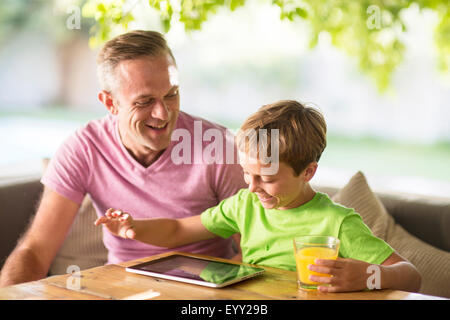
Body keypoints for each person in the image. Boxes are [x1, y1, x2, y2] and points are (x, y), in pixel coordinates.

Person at [0, 30, 246, 287]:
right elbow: (36, 251)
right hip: (122, 290)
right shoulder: (83, 148)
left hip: (203, 292)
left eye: (171, 95)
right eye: (145, 101)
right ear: (110, 102)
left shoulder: (218, 147)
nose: (163, 113)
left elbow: (252, 251)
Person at [95, 100, 422, 293]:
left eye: (266, 178)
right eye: (246, 174)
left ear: (308, 172)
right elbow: (179, 231)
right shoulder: (244, 205)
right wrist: (132, 228)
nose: (252, 187)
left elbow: (411, 276)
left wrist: (369, 276)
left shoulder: (336, 223)